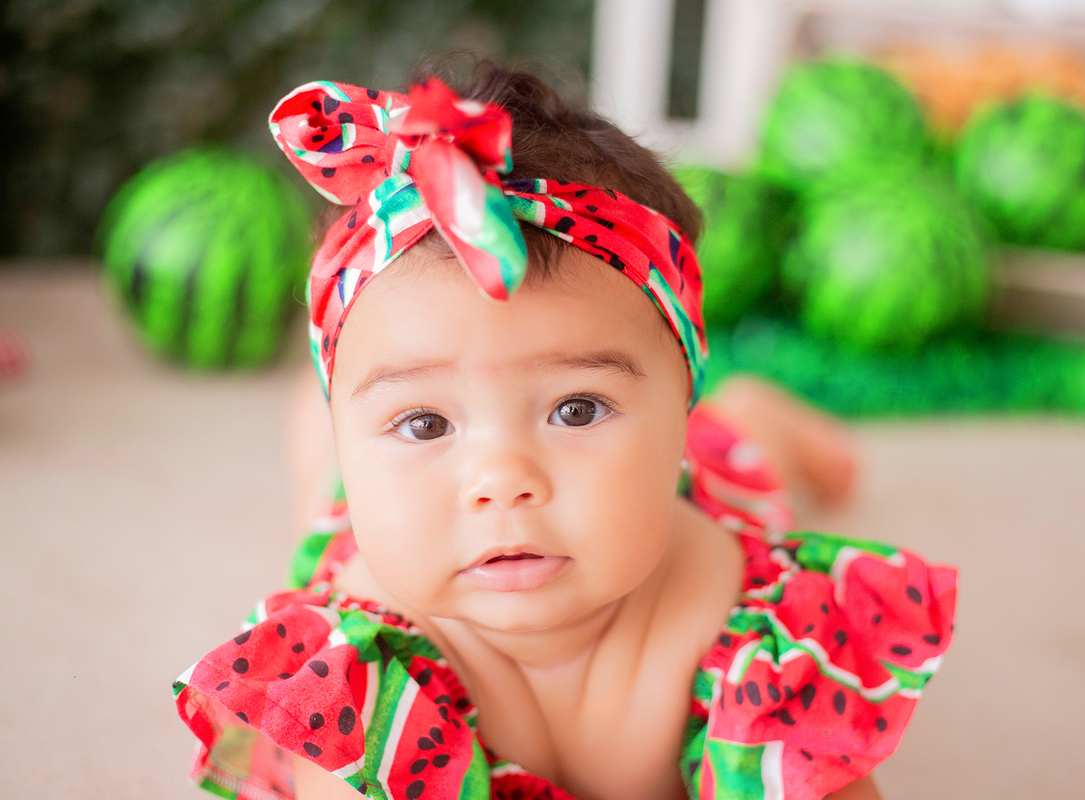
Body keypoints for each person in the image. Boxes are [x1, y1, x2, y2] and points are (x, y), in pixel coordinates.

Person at [173, 62, 957, 800]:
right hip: (376, 522)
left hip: (703, 471)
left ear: (679, 396)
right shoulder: (361, 672)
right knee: (329, 500)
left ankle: (755, 412)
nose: (501, 476)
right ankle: (327, 426)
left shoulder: (739, 620)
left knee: (743, 453)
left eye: (576, 409)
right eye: (426, 419)